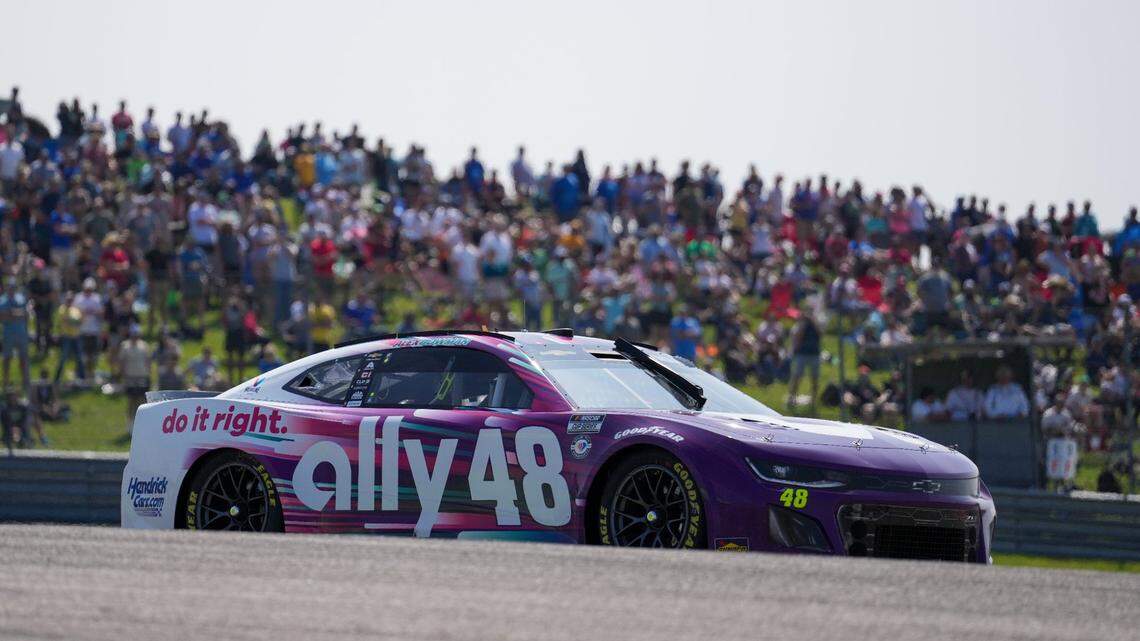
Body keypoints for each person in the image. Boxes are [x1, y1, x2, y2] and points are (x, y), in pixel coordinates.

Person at [117, 325, 151, 434]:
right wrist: (123, 375)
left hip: (142, 375)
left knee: (142, 401)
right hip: (130, 376)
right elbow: (122, 361)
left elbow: (147, 361)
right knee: (131, 400)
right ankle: (130, 424)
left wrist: (148, 374)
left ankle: (142, 424)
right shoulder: (125, 346)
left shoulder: (144, 345)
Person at [0, 277, 31, 391]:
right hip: (8, 333)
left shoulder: (21, 298)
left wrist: (12, 313)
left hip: (21, 333)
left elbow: (26, 314)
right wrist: (17, 314)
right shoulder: (2, 300)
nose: (11, 289)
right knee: (7, 358)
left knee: (23, 358)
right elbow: (2, 316)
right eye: (10, 286)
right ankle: (5, 382)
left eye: (13, 287)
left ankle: (25, 382)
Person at [786, 313, 822, 413]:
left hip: (814, 354)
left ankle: (814, 400)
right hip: (802, 354)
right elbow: (797, 337)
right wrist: (804, 324)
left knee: (814, 378)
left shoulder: (816, 325)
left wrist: (814, 322)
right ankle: (792, 397)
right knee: (797, 376)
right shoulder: (800, 326)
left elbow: (820, 334)